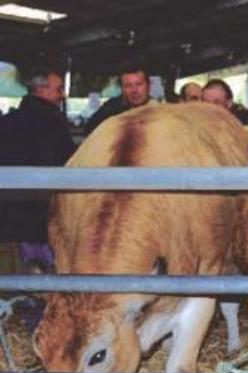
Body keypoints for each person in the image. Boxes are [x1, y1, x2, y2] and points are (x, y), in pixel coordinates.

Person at [0, 69, 76, 330]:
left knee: (24, 267)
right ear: (41, 90)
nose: (61, 94)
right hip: (44, 212)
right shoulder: (52, 122)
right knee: (49, 269)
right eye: (57, 88)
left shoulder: (9, 121)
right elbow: (67, 163)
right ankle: (48, 322)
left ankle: (28, 312)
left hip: (11, 213)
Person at [84, 66, 151, 135]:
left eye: (139, 84)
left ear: (148, 86)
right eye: (128, 86)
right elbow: (88, 129)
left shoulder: (159, 110)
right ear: (122, 89)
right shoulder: (111, 107)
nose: (134, 90)